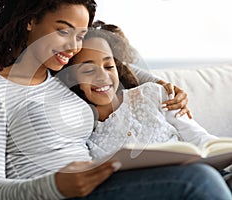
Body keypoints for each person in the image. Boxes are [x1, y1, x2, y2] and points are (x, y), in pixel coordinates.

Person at [0, 0, 232, 199]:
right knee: (197, 182)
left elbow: (114, 65)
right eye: (64, 31)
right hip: (61, 193)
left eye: (80, 35)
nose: (73, 47)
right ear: (30, 20)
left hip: (103, 181)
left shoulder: (57, 75)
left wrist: (164, 86)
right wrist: (54, 185)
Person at [59, 22, 232, 191]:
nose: (102, 77)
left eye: (109, 66)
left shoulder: (153, 94)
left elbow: (201, 140)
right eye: (88, 70)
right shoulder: (79, 127)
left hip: (212, 178)